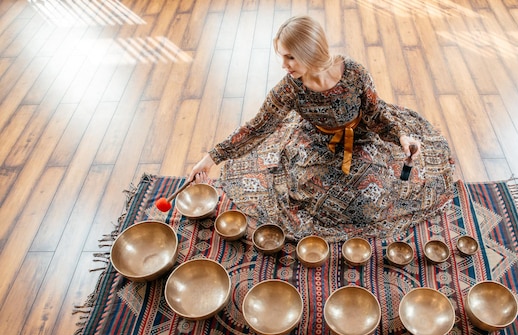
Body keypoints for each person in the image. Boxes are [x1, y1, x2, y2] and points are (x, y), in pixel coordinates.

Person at [189, 15, 455, 243]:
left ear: (310, 51)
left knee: (370, 199)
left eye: (290, 57)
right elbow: (258, 127)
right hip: (316, 141)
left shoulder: (354, 73)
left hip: (359, 136)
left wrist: (401, 136)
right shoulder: (289, 88)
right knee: (313, 194)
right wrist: (209, 158)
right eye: (282, 57)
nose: (284, 65)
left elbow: (375, 114)